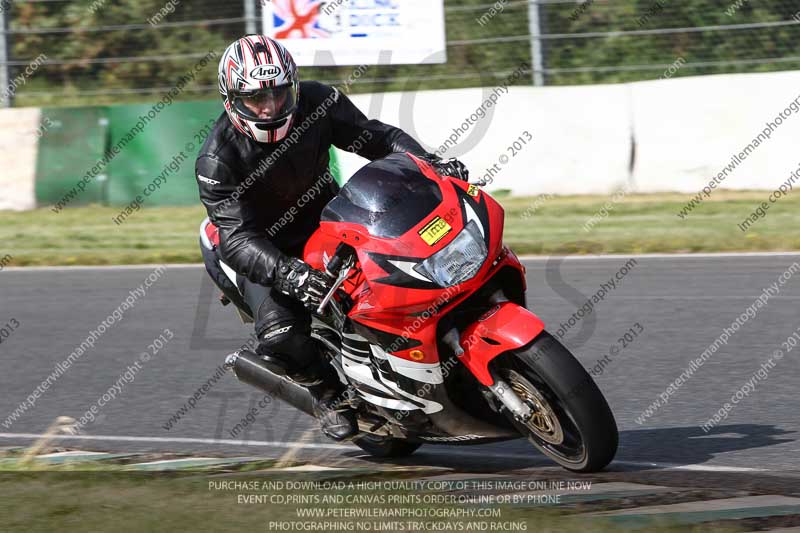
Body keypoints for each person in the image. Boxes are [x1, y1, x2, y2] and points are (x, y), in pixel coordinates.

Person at [195, 35, 468, 441]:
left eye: (278, 93)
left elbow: (378, 138)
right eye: (256, 99)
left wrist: (430, 166)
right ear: (231, 100)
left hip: (323, 217)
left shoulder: (316, 102)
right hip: (258, 249)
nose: (270, 107)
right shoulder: (217, 159)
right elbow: (236, 238)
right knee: (281, 335)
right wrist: (288, 274)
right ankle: (328, 393)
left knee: (395, 271)